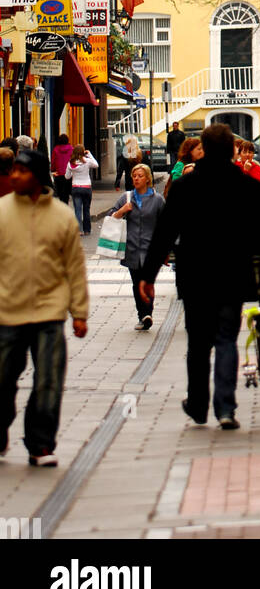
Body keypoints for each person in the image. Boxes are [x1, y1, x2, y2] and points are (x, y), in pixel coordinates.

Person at [139, 123, 260, 430]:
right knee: (226, 339)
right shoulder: (247, 186)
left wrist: (148, 275)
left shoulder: (185, 187)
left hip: (196, 277)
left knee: (198, 343)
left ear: (205, 150)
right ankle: (225, 408)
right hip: (235, 277)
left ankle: (198, 405)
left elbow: (165, 232)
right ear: (233, 150)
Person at [0, 147, 88, 466]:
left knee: (49, 380)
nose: (14, 176)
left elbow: (74, 268)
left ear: (36, 176)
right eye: (13, 171)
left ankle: (40, 444)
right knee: (2, 380)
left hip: (50, 313)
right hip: (7, 312)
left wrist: (79, 313)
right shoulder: (2, 212)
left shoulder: (61, 216)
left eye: (21, 171)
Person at [109, 163, 165, 331]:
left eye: (140, 176)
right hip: (132, 248)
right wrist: (122, 211)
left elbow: (165, 225)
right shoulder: (126, 198)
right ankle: (142, 315)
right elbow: (110, 217)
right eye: (134, 176)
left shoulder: (157, 199)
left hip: (150, 249)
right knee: (136, 283)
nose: (136, 179)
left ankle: (148, 313)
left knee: (148, 281)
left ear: (147, 179)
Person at [65, 144, 99, 236]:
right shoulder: (87, 161)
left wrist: (73, 173)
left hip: (76, 187)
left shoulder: (70, 163)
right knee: (86, 209)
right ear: (83, 152)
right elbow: (96, 165)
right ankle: (87, 230)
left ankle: (79, 230)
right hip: (86, 187)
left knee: (77, 210)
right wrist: (90, 154)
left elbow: (67, 176)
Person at [50, 135, 74, 204]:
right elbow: (73, 160)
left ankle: (63, 205)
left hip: (59, 174)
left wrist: (53, 169)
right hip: (68, 174)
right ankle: (66, 204)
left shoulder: (56, 149)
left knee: (60, 193)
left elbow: (53, 161)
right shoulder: (71, 149)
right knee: (66, 192)